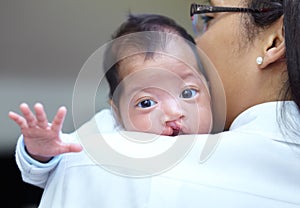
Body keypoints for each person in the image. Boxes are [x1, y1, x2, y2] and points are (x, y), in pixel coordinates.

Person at [9, 0, 300, 207]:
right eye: (147, 102)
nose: (174, 113)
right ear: (116, 112)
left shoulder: (101, 170)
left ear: (276, 41)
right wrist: (40, 153)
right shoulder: (104, 137)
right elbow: (63, 155)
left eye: (208, 18)